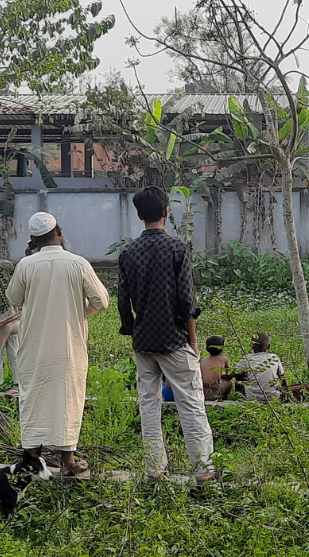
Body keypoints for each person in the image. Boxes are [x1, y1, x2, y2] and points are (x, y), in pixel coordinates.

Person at [118, 186, 217, 483]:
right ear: (166, 212)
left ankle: (155, 470)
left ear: (139, 215)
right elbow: (187, 300)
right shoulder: (177, 248)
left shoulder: (128, 253)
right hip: (174, 339)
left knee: (148, 405)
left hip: (144, 341)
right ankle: (203, 471)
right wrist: (194, 341)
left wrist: (131, 328)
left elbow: (123, 300)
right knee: (191, 403)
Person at [6, 212, 109, 478]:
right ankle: (67, 462)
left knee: (31, 397)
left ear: (32, 241)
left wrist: (28, 257)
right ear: (59, 232)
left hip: (33, 346)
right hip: (68, 346)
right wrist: (78, 313)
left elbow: (14, 297)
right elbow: (101, 301)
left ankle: (30, 458)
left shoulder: (26, 265)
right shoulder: (78, 263)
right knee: (68, 398)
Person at [0, 259, 22, 398]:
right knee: (15, 354)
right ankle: (18, 386)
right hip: (16, 321)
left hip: (3, 324)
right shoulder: (14, 285)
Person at [234, 332, 287, 403]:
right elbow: (283, 378)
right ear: (268, 346)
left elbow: (233, 374)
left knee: (240, 376)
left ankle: (239, 396)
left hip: (251, 397)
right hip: (273, 397)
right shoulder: (274, 357)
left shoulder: (247, 358)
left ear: (252, 346)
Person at [200, 335, 235, 401]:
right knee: (230, 381)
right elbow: (229, 374)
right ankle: (224, 397)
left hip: (203, 393)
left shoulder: (203, 360)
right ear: (222, 350)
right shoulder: (223, 359)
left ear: (207, 349)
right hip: (215, 392)